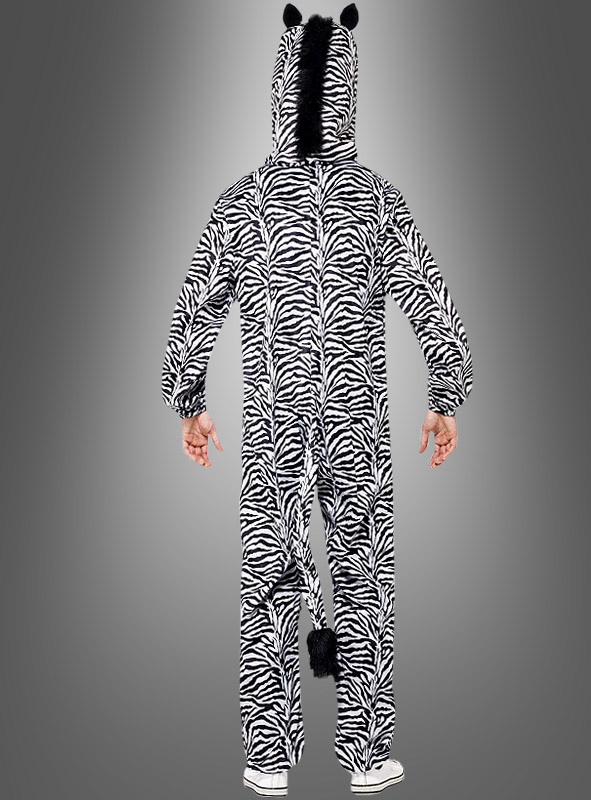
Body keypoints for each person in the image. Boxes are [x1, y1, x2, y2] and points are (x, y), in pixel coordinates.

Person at [161, 4, 473, 796]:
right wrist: (444, 393)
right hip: (356, 421)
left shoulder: (242, 201)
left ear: (276, 86)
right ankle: (365, 755)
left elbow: (196, 306)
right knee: (362, 571)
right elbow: (427, 299)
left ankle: (268, 758)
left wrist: (189, 400)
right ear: (348, 89)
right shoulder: (377, 199)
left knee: (269, 573)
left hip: (272, 421)